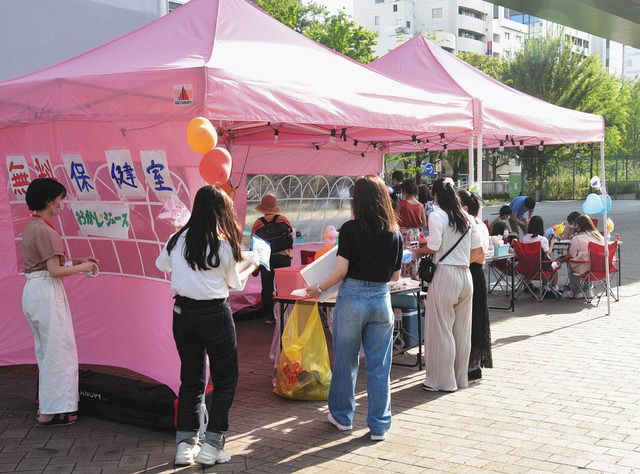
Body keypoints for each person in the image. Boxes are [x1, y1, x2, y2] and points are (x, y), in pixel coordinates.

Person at [155, 185, 260, 467]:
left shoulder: (176, 239)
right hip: (215, 314)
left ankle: (185, 446)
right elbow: (234, 283)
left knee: (191, 378)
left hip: (182, 313)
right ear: (220, 211)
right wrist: (252, 263)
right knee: (225, 379)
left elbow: (161, 264)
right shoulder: (224, 245)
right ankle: (212, 446)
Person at [306, 175, 403, 442]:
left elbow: (341, 270)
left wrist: (318, 289)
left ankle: (342, 416)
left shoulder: (350, 229)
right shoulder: (394, 232)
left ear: (357, 200)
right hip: (382, 300)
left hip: (352, 298)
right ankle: (379, 426)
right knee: (379, 366)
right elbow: (395, 277)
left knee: (346, 361)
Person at [22, 178, 98, 427]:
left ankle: (48, 408)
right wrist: (85, 267)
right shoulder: (47, 230)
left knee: (45, 351)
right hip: (46, 291)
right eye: (60, 198)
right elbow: (54, 271)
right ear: (49, 201)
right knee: (60, 350)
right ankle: (58, 410)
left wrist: (75, 262)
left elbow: (47, 266)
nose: (62, 203)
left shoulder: (33, 227)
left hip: (33, 291)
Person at [413, 178, 483, 392]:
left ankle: (442, 381)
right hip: (465, 275)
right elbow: (476, 248)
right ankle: (459, 378)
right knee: (461, 330)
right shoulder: (467, 217)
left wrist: (417, 251)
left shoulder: (437, 215)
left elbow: (433, 245)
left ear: (435, 195)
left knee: (441, 329)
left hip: (445, 274)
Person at [458, 190, 492, 381]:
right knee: (476, 318)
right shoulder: (480, 224)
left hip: (470, 271)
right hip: (476, 273)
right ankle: (473, 364)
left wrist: (459, 261)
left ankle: (470, 365)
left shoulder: (470, 224)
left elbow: (478, 252)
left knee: (469, 319)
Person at [251, 194, 293, 324]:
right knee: (283, 287)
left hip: (266, 259)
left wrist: (255, 265)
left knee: (267, 287)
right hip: (283, 258)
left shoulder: (258, 224)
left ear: (262, 208)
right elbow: (291, 239)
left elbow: (255, 245)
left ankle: (269, 316)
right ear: (275, 207)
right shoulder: (284, 220)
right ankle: (283, 314)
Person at [567, 215, 604, 299]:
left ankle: (577, 291)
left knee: (571, 264)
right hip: (602, 267)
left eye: (576, 225)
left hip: (585, 267)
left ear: (579, 225)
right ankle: (588, 289)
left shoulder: (576, 238)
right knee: (588, 262)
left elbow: (573, 254)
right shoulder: (599, 236)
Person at [396, 179, 426, 279]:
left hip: (404, 233)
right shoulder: (420, 205)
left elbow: (396, 221)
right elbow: (423, 223)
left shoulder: (402, 204)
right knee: (414, 254)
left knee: (403, 255)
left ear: (404, 191)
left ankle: (403, 276)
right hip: (416, 233)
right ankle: (414, 275)